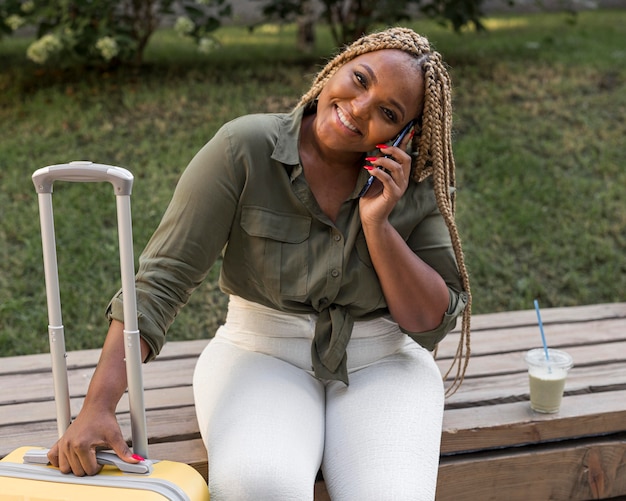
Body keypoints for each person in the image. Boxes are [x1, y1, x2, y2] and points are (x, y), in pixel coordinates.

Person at [48, 26, 471, 500]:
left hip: (384, 361)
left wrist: (378, 225)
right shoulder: (244, 147)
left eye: (388, 113)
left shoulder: (417, 181)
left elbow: (431, 323)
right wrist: (98, 405)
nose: (358, 108)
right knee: (259, 486)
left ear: (407, 132)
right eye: (360, 80)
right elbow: (162, 281)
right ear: (337, 67)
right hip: (262, 353)